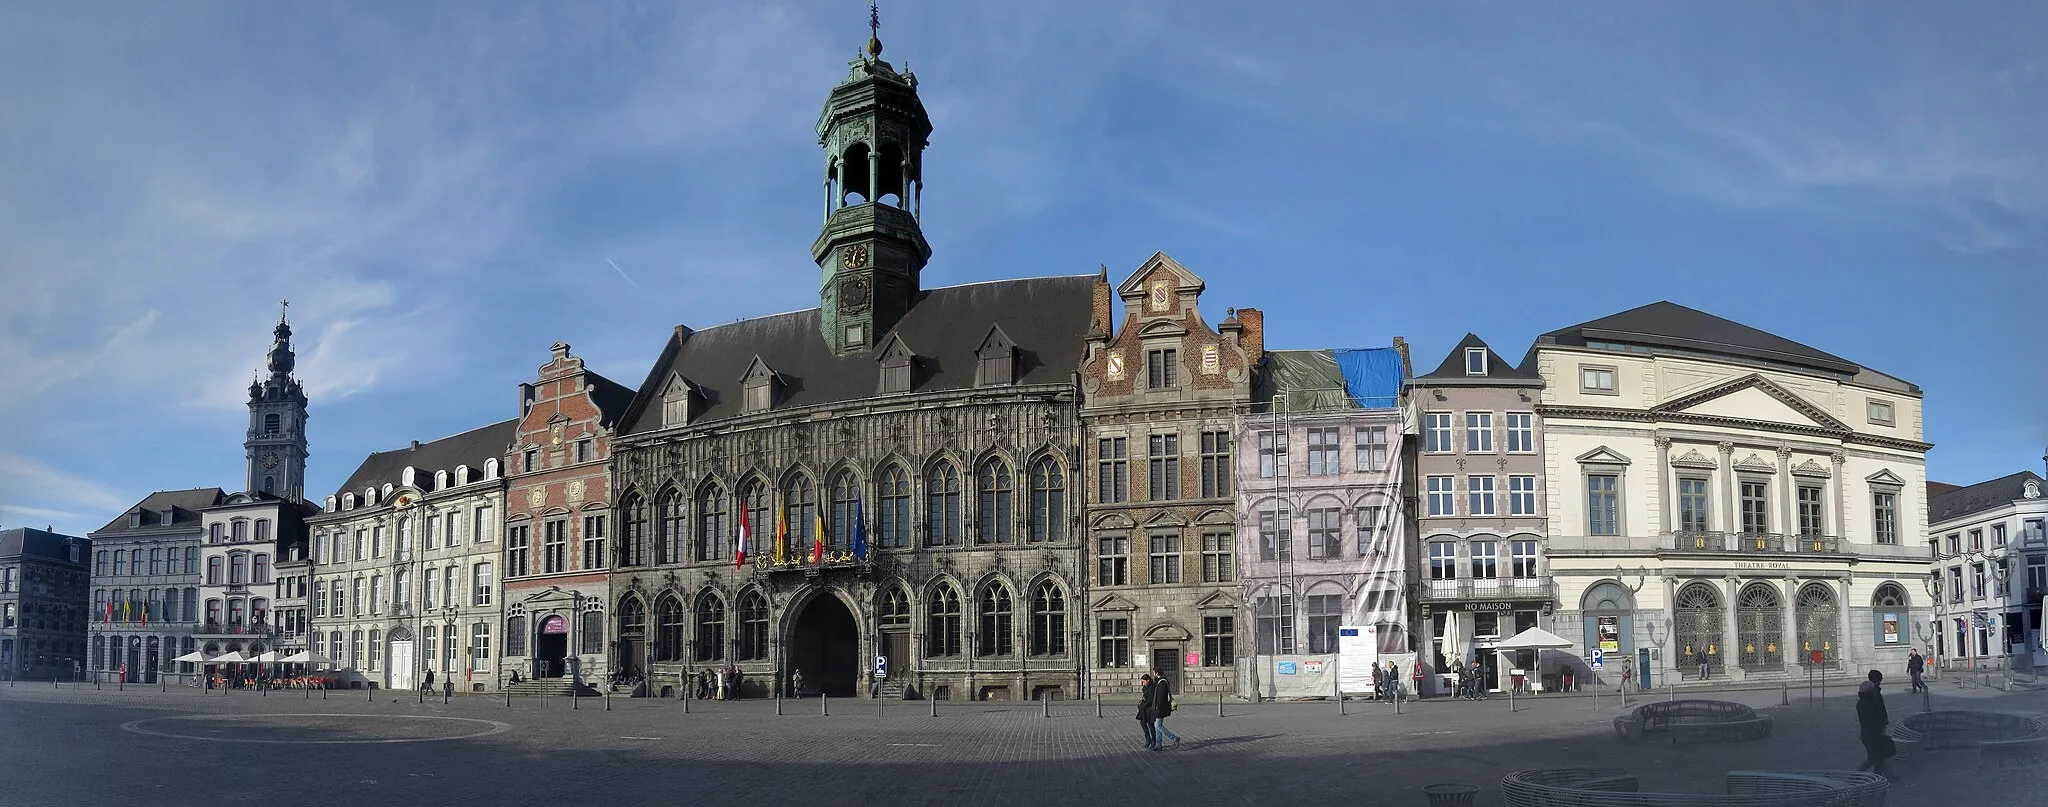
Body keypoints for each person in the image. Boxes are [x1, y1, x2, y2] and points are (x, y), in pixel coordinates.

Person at [1854, 670, 1899, 780]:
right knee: (1874, 758)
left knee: (1878, 757)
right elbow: (1874, 717)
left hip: (1867, 733)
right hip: (1873, 733)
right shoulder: (1871, 701)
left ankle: (1883, 777)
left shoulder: (1862, 702)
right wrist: (1882, 724)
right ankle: (1856, 774)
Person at [1148, 672, 1181, 749]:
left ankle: (1174, 738)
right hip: (1160, 707)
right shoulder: (1161, 681)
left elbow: (1161, 696)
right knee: (1157, 726)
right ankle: (1158, 744)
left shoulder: (1162, 682)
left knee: (1158, 725)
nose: (1153, 674)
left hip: (1160, 708)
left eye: (1154, 672)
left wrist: (1157, 706)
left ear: (1157, 673)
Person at [1135, 674, 1158, 749]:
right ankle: (1148, 739)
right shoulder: (1146, 687)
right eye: (1142, 682)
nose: (1143, 683)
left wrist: (1144, 704)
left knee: (1151, 725)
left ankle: (1154, 741)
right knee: (1142, 723)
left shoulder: (1151, 687)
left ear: (1148, 680)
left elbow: (1151, 699)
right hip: (1144, 708)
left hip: (1149, 709)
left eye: (1144, 681)